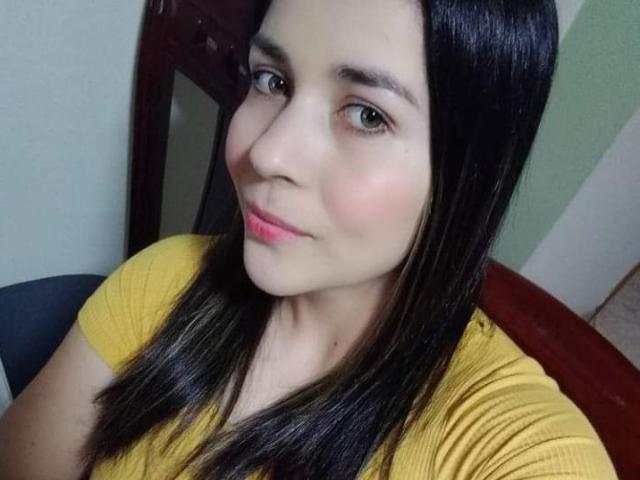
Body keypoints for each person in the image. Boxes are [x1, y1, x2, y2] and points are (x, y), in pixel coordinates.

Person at [0, 0, 619, 478]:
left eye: (368, 114)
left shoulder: (503, 445)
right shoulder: (165, 280)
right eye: (271, 80)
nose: (267, 153)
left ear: (471, 174)